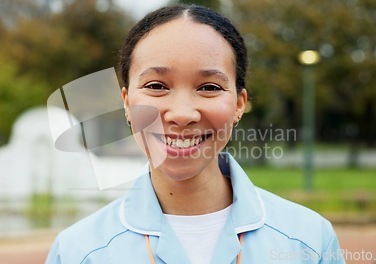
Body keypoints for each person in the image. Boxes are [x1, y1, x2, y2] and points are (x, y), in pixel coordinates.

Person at [46, 4, 344, 264]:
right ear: (126, 102)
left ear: (239, 104)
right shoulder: (78, 252)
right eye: (156, 86)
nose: (182, 114)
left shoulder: (308, 241)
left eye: (209, 87)